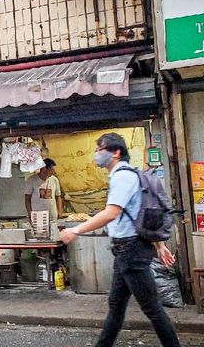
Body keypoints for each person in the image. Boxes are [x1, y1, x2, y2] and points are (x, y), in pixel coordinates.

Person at [59, 133, 180, 347]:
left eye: (100, 149)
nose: (96, 154)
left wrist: (76, 230)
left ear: (116, 152)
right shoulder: (124, 175)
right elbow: (141, 214)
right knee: (116, 305)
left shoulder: (122, 176)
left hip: (131, 251)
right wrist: (159, 246)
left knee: (152, 308)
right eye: (96, 149)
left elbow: (111, 213)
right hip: (125, 250)